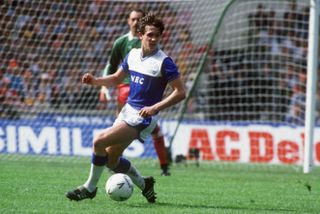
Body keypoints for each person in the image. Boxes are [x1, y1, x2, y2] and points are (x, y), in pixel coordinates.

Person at [65, 12, 186, 203]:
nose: (153, 38)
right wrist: (95, 81)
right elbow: (116, 78)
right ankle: (145, 184)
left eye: (157, 35)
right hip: (127, 111)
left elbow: (180, 92)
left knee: (99, 141)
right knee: (111, 161)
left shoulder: (165, 62)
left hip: (142, 117)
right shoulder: (133, 55)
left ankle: (89, 188)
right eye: (149, 34)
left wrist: (155, 107)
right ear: (141, 35)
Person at [100, 8, 171, 176]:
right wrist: (103, 86)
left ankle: (162, 167)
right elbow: (112, 66)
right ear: (128, 21)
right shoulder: (122, 42)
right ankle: (117, 164)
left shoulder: (152, 48)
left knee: (153, 131)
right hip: (126, 90)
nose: (135, 22)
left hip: (142, 94)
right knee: (125, 133)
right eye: (133, 19)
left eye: (139, 19)